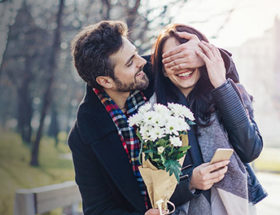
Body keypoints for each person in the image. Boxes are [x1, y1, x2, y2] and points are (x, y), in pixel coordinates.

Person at [68, 20, 247, 215]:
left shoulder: (156, 74)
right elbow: (97, 209)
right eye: (130, 62)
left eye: (135, 53)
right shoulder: (84, 135)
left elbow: (223, 71)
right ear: (105, 81)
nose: (142, 62)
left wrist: (201, 55)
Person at [150, 24, 267, 215]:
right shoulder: (152, 115)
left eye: (188, 56)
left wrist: (220, 84)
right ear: (162, 69)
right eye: (173, 59)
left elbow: (250, 150)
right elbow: (153, 190)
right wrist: (190, 183)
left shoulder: (230, 92)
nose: (182, 65)